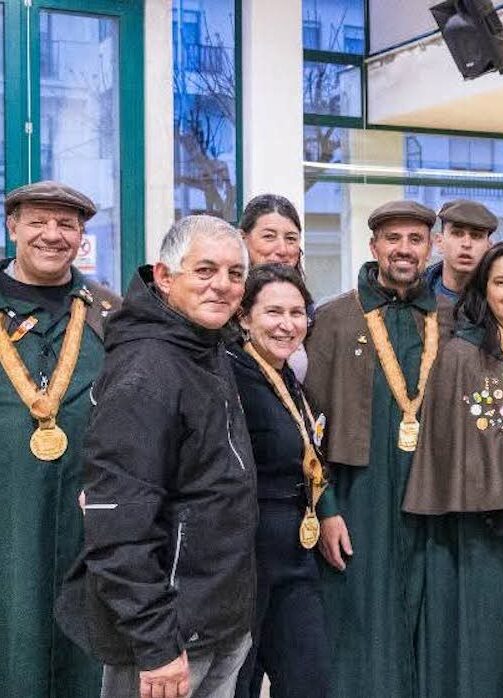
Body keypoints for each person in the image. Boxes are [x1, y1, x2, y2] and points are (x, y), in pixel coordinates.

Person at [57, 215, 257, 698]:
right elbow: (119, 520)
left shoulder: (205, 348)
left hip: (218, 619)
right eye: (205, 270)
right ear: (165, 278)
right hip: (168, 637)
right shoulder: (148, 369)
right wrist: (155, 643)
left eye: (235, 274)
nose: (223, 286)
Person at [304, 199, 451, 696]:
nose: (404, 250)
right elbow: (310, 428)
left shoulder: (452, 319)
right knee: (363, 628)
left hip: (438, 498)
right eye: (393, 239)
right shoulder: (335, 319)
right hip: (362, 494)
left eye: (415, 240)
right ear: (374, 247)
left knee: (433, 625)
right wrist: (325, 509)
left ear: (430, 247)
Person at [403, 242, 503, 697]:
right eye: (501, 282)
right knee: (488, 649)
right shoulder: (461, 354)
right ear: (483, 290)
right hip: (483, 534)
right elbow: (454, 449)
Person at [0, 180, 119, 698]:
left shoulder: (109, 315)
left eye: (67, 224)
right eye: (38, 222)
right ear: (12, 227)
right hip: (8, 515)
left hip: (86, 521)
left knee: (83, 653)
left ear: (81, 235)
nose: (53, 234)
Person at [230, 263, 330, 698]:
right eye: (273, 312)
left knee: (310, 680)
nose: (287, 325)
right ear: (244, 317)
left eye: (297, 313)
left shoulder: (288, 376)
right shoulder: (229, 374)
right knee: (240, 683)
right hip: (246, 556)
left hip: (295, 549)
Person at [239, 193, 310, 381]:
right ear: (243, 238)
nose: (282, 250)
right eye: (269, 236)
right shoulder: (221, 310)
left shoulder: (307, 311)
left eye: (291, 239)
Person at [423, 199, 498, 303]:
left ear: (488, 247)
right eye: (457, 233)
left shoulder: (499, 299)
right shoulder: (413, 293)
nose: (466, 244)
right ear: (439, 242)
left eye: (476, 236)